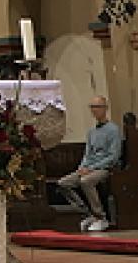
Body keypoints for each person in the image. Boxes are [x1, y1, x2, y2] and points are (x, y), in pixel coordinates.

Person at [59, 96, 123, 232]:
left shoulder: (113, 130)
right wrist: (82, 167)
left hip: (105, 168)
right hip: (89, 167)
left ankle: (100, 216)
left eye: (97, 107)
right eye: (92, 107)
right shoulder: (91, 132)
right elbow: (87, 154)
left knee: (86, 181)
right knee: (63, 183)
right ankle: (86, 213)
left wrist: (92, 168)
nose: (94, 110)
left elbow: (113, 156)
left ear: (105, 109)